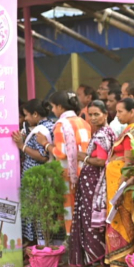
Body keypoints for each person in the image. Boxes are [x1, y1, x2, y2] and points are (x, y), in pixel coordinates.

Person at [36, 91, 92, 237]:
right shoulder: (84, 122)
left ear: (60, 107)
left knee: (69, 211)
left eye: (53, 107)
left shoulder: (61, 125)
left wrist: (45, 144)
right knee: (83, 210)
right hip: (85, 171)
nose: (53, 110)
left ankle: (72, 245)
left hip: (67, 174)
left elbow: (61, 153)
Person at [70, 100, 115, 267]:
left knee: (92, 220)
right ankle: (98, 259)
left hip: (95, 183)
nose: (93, 118)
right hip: (94, 182)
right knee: (94, 219)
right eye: (91, 115)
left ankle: (98, 259)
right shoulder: (108, 132)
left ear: (105, 114)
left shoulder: (102, 135)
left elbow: (102, 160)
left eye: (97, 114)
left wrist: (84, 158)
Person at [105, 98, 134, 267]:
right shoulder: (131, 130)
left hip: (122, 182)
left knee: (121, 217)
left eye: (121, 111)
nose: (118, 115)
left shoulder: (133, 131)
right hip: (116, 179)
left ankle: (122, 263)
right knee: (118, 217)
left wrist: (121, 186)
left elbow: (130, 162)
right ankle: (119, 261)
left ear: (132, 112)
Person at [12, 99, 55, 246]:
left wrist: (21, 146)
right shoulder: (50, 124)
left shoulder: (40, 131)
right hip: (45, 175)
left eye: (27, 115)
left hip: (36, 176)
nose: (26, 119)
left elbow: (42, 156)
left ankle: (36, 245)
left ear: (35, 114)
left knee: (34, 212)